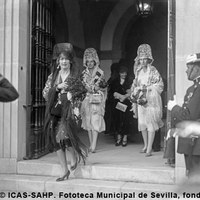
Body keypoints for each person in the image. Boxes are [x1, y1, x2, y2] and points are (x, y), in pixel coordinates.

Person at [43, 43, 87, 181]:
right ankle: (64, 170)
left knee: (66, 138)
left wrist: (72, 94)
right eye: (61, 59)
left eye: (66, 59)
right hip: (54, 111)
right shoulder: (53, 76)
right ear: (58, 62)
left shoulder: (75, 76)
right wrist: (57, 87)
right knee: (55, 140)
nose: (63, 62)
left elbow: (83, 92)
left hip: (69, 110)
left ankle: (73, 157)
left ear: (70, 61)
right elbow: (45, 93)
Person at [167, 53, 200, 177]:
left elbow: (189, 117)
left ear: (196, 68)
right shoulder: (192, 89)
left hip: (196, 144)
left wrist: (174, 108)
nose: (186, 71)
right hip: (191, 141)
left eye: (188, 67)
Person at [130, 44, 164, 156]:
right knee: (142, 123)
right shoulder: (138, 71)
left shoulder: (153, 70)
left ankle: (149, 148)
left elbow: (159, 85)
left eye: (145, 59)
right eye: (141, 59)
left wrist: (148, 88)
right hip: (141, 100)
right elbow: (135, 84)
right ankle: (145, 145)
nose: (143, 61)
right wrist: (135, 91)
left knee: (150, 123)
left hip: (150, 101)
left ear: (149, 59)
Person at [81, 48, 107, 153]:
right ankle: (91, 143)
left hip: (96, 99)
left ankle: (94, 145)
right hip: (87, 100)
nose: (90, 63)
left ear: (95, 61)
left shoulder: (100, 72)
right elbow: (82, 86)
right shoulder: (83, 73)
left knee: (95, 121)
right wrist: (88, 89)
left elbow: (104, 87)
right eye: (88, 61)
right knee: (88, 122)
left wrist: (98, 89)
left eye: (92, 61)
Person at [109, 65, 132, 146]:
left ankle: (125, 137)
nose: (124, 74)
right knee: (118, 120)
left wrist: (125, 96)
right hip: (117, 104)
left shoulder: (130, 81)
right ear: (119, 73)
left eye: (125, 73)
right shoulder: (115, 81)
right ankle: (119, 138)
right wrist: (120, 96)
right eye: (122, 73)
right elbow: (112, 92)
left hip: (126, 104)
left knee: (126, 120)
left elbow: (131, 92)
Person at [104, 63, 119, 135]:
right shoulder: (115, 77)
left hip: (111, 99)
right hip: (115, 98)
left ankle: (111, 130)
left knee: (110, 115)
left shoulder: (112, 77)